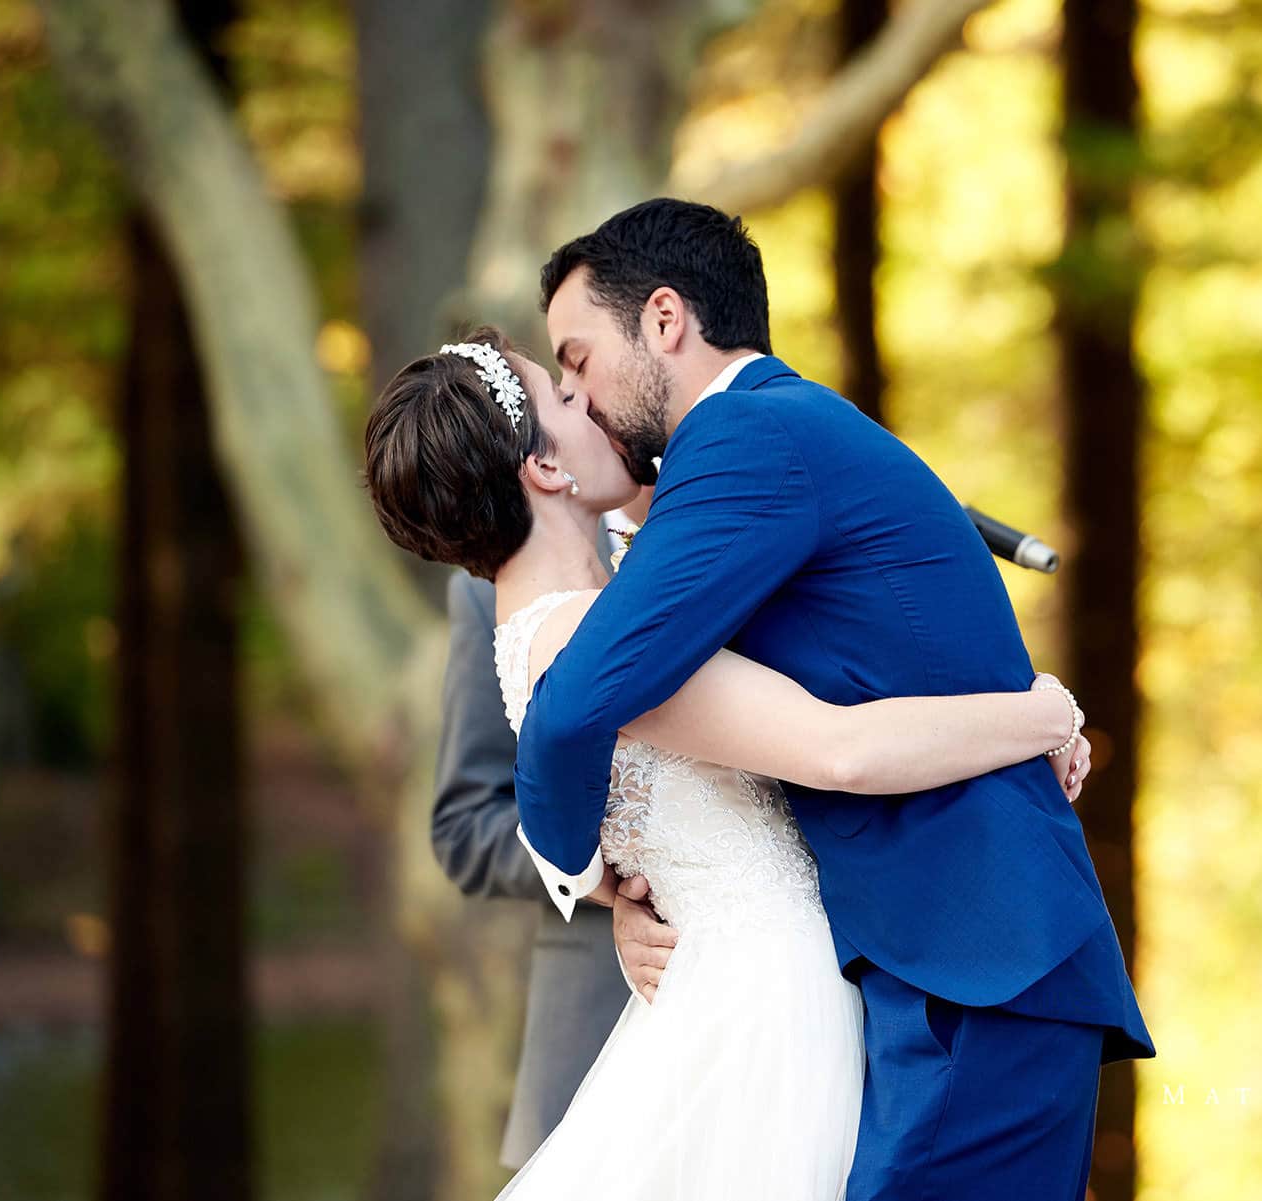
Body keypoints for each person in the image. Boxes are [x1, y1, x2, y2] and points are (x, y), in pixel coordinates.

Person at [363, 325, 1093, 1201]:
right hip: (771, 1009)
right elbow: (838, 748)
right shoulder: (597, 642)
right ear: (546, 471)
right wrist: (1042, 710)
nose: (586, 397)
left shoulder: (603, 598)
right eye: (562, 397)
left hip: (778, 977)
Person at [517, 198, 1154, 1201]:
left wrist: (591, 874)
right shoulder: (777, 434)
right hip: (939, 962)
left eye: (579, 358)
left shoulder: (743, 443)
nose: (575, 394)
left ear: (667, 321)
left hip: (974, 960)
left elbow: (574, 700)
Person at [430, 561, 626, 1169]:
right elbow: (464, 825)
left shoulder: (743, 521)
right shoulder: (486, 589)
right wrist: (606, 872)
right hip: (590, 1030)